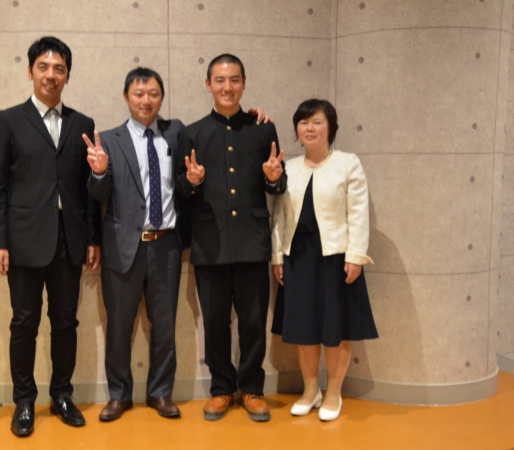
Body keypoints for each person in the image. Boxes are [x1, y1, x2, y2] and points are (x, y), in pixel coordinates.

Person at [85, 67, 270, 422]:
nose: (146, 100)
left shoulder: (177, 133)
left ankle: (160, 393)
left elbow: (207, 149)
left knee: (165, 326)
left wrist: (252, 115)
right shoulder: (107, 140)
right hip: (123, 247)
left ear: (162, 98)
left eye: (153, 93)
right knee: (119, 327)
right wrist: (98, 171)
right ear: (126, 97)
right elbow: (97, 194)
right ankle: (119, 395)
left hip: (166, 245)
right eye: (139, 94)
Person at [0, 36, 101, 437]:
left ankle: (62, 395)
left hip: (70, 241)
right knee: (24, 323)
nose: (51, 75)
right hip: (23, 242)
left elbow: (88, 189)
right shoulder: (7, 121)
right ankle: (24, 401)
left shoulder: (82, 124)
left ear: (68, 75)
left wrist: (92, 238)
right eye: (44, 67)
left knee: (66, 322)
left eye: (59, 69)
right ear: (31, 71)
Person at [176, 54, 286, 422]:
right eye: (220, 80)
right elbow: (180, 190)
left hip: (252, 240)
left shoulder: (263, 129)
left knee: (253, 322)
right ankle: (222, 388)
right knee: (215, 322)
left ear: (244, 83)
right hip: (210, 243)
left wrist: (273, 177)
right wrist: (191, 183)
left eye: (234, 80)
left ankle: (252, 388)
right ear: (208, 85)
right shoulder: (192, 133)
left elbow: (278, 183)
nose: (227, 87)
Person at [270, 99, 378, 422]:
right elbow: (279, 215)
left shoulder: (347, 163)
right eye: (304, 123)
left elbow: (358, 213)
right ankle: (310, 390)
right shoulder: (289, 168)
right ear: (296, 130)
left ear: (330, 128)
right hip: (298, 256)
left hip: (336, 257)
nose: (310, 128)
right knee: (303, 327)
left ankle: (333, 392)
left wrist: (355, 256)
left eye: (317, 122)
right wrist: (277, 256)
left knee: (335, 328)